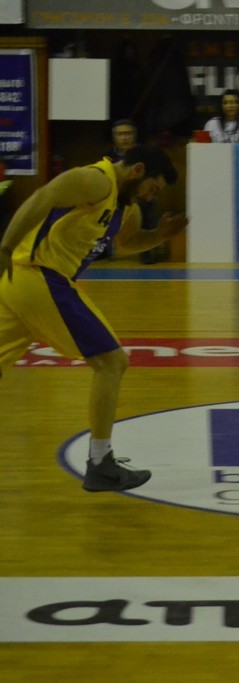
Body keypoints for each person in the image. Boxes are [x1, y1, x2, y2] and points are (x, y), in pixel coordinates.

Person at [0, 145, 188, 492]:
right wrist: (5, 247)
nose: (151, 197)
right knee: (112, 362)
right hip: (41, 276)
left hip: (20, 286)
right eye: (153, 188)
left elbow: (124, 244)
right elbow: (42, 197)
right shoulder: (96, 180)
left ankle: (102, 464)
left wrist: (159, 237)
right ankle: (101, 463)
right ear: (138, 170)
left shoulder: (125, 207)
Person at [104, 119, 164, 264]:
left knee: (149, 206)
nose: (124, 137)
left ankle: (147, 251)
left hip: (141, 195)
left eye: (128, 133)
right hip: (118, 196)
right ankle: (105, 250)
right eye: (120, 134)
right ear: (114, 137)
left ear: (134, 135)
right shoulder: (108, 156)